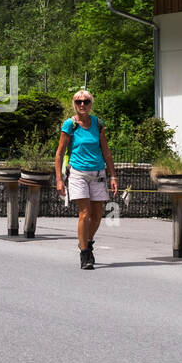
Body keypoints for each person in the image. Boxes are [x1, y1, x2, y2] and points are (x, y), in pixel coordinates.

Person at [54, 89, 118, 270]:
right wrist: (59, 179)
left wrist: (113, 175)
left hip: (98, 173)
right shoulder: (69, 125)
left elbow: (106, 151)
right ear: (74, 104)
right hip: (78, 174)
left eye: (86, 101)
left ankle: (86, 241)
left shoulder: (98, 124)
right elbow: (59, 154)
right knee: (85, 213)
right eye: (79, 102)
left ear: (91, 104)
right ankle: (85, 253)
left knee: (97, 215)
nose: (82, 105)